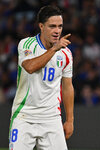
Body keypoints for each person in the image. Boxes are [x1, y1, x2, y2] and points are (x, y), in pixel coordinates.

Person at [9, 5, 74, 150]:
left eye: (60, 26)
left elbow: (68, 87)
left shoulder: (66, 54)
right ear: (41, 26)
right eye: (52, 26)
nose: (57, 31)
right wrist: (53, 49)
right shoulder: (27, 44)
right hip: (24, 115)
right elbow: (30, 67)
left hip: (52, 118)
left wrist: (70, 120)